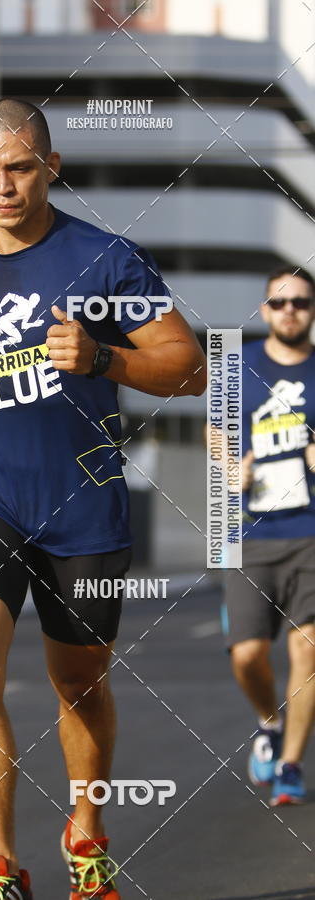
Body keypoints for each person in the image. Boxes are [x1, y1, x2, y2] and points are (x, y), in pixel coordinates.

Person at [0, 98, 206, 900]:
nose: (3, 186)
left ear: (52, 168)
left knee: (79, 683)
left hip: (83, 502)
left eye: (19, 168)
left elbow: (191, 367)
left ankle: (86, 837)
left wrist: (105, 356)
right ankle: (0, 866)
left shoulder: (106, 259)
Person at [224, 265, 315, 806]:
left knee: (308, 651)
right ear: (264, 311)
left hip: (312, 534)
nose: (289, 312)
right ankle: (269, 721)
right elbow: (217, 435)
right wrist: (229, 466)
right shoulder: (240, 367)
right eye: (279, 303)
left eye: (300, 303)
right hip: (251, 533)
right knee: (248, 655)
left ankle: (290, 764)